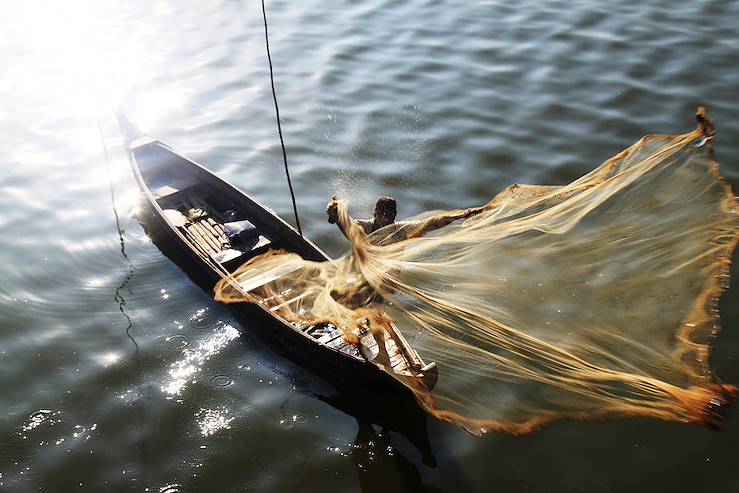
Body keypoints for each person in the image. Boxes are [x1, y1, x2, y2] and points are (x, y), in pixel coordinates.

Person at [326, 195, 490, 244]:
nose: (389, 221)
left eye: (392, 216)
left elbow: (434, 222)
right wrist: (336, 213)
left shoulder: (401, 230)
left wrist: (465, 214)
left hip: (388, 281)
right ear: (375, 213)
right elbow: (347, 226)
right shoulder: (362, 227)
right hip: (365, 275)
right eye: (385, 216)